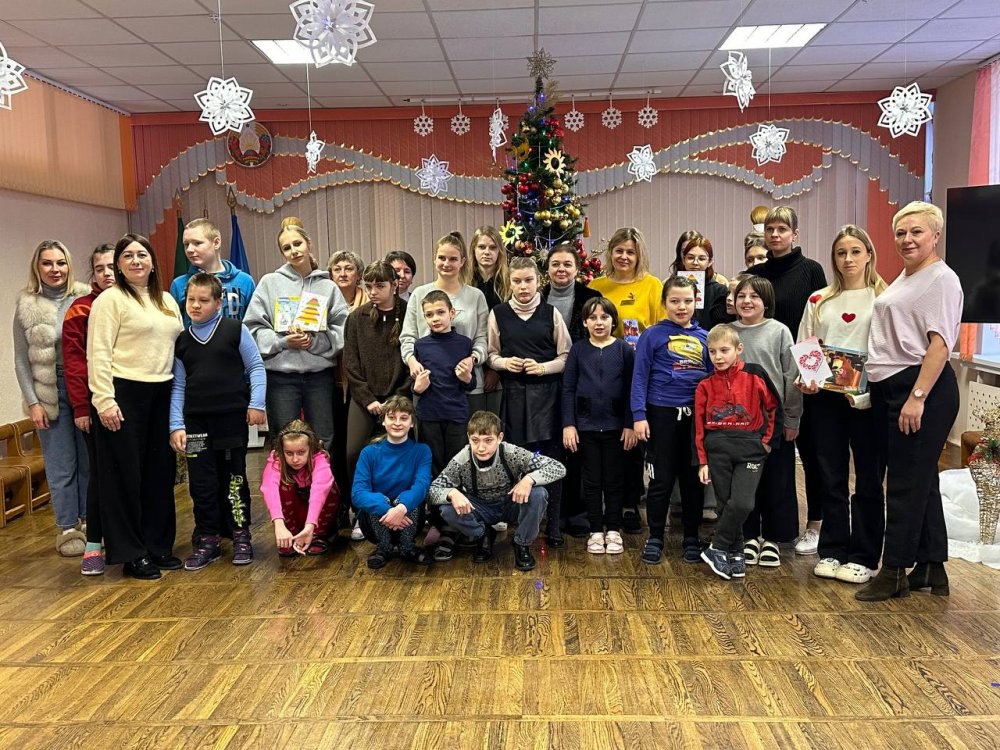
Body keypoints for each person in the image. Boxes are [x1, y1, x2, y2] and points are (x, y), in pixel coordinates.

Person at [856, 201, 963, 602]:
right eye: (901, 232)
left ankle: (895, 571)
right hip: (893, 387)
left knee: (903, 483)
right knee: (921, 479)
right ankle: (932, 566)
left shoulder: (942, 279)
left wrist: (917, 397)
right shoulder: (907, 275)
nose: (907, 239)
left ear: (936, 234)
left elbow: (940, 344)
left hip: (920, 388)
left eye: (916, 231)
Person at [88, 234, 184, 579]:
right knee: (124, 478)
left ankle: (158, 546)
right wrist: (104, 400)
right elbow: (98, 352)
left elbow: (178, 349)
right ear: (118, 265)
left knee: (159, 474)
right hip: (123, 394)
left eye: (142, 254)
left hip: (162, 391)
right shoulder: (110, 300)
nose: (136, 261)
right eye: (127, 256)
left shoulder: (167, 300)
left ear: (153, 262)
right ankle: (133, 553)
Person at [797, 225, 887, 585]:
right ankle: (832, 549)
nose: (848, 259)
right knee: (830, 475)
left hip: (869, 401)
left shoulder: (884, 298)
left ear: (869, 255)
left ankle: (865, 555)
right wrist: (808, 378)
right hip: (827, 401)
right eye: (840, 253)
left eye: (855, 251)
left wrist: (866, 393)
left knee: (868, 477)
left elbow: (889, 351)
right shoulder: (819, 300)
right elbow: (807, 344)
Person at [169, 273, 267, 570]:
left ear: (218, 302)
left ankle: (240, 535)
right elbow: (179, 385)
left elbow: (256, 367)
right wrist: (176, 425)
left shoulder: (235, 331)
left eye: (203, 300)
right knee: (202, 483)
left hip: (231, 420)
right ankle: (208, 538)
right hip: (196, 424)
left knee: (234, 480)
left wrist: (257, 404)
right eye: (191, 300)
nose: (195, 306)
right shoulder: (182, 341)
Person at [751, 206, 827, 555]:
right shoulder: (756, 274)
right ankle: (761, 523)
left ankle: (815, 524)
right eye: (770, 229)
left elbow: (820, 323)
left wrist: (813, 375)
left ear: (795, 233)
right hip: (767, 373)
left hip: (805, 369)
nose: (775, 235)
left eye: (782, 229)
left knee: (812, 452)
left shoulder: (811, 270)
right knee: (768, 454)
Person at [13, 240, 92, 557]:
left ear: (68, 265)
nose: (55, 269)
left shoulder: (85, 297)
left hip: (83, 386)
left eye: (60, 262)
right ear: (37, 267)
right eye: (47, 263)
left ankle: (90, 520)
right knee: (61, 464)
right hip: (49, 390)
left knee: (88, 460)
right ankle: (68, 527)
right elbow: (21, 360)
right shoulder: (27, 305)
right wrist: (33, 402)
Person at [244, 217, 349, 453]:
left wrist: (314, 343)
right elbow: (252, 328)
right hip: (281, 378)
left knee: (323, 438)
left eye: (297, 243)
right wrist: (283, 342)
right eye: (287, 247)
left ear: (308, 243)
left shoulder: (328, 286)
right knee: (284, 439)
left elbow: (343, 329)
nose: (294, 251)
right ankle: (286, 480)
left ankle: (321, 479)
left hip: (319, 377)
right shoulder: (269, 283)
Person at [488, 257, 571, 546]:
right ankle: (523, 526)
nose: (523, 286)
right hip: (513, 397)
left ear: (538, 281)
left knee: (551, 462)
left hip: (547, 398)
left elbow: (566, 356)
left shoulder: (551, 313)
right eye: (517, 281)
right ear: (509, 283)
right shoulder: (498, 313)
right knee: (515, 464)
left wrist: (543, 368)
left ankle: (554, 524)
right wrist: (504, 363)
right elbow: (491, 354)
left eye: (528, 280)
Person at [631, 275, 711, 565]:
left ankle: (691, 536)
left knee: (692, 480)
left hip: (695, 418)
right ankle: (655, 536)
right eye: (675, 301)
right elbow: (639, 377)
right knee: (661, 479)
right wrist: (639, 416)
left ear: (695, 302)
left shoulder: (706, 337)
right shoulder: (652, 335)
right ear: (664, 303)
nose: (681, 307)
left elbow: (713, 379)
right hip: (660, 415)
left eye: (687, 301)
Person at [589, 227, 664, 533]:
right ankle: (603, 504)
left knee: (633, 440)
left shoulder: (652, 285)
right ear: (610, 253)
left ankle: (631, 504)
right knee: (606, 440)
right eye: (618, 250)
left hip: (639, 372)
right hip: (601, 373)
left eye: (630, 252)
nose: (624, 257)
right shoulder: (596, 285)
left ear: (638, 255)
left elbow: (661, 328)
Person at [430, 410, 567, 571]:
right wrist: (452, 493)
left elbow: (558, 467)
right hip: (480, 507)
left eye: (488, 440)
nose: (481, 448)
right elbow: (433, 490)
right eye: (475, 440)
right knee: (447, 508)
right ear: (468, 438)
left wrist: (529, 480)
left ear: (500, 438)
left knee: (538, 493)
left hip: (511, 503)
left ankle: (522, 543)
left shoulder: (512, 453)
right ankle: (483, 534)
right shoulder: (461, 460)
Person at [695, 324, 781, 580]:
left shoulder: (755, 375)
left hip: (751, 450)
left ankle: (717, 547)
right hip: (717, 450)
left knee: (743, 503)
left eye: (724, 350)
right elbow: (698, 427)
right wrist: (702, 461)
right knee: (725, 505)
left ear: (738, 349)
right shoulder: (705, 385)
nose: (718, 357)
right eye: (712, 352)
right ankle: (735, 552)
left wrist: (767, 442)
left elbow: (774, 407)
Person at [731, 276, 801, 568]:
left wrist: (792, 418)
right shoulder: (726, 332)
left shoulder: (779, 331)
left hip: (774, 419)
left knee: (777, 479)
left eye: (755, 296)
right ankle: (748, 535)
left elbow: (791, 377)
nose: (747, 301)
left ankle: (773, 536)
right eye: (741, 295)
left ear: (767, 302)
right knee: (745, 480)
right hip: (738, 421)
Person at [562, 297, 636, 555]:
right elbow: (568, 388)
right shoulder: (578, 350)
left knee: (614, 480)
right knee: (591, 481)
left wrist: (630, 423)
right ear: (585, 322)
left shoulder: (624, 350)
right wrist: (569, 424)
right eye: (592, 318)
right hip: (586, 428)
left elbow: (632, 389)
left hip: (617, 428)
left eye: (604, 317)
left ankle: (613, 529)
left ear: (613, 321)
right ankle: (595, 530)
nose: (599, 322)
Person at [62, 244, 116, 574]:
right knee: (100, 473)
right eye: (99, 268)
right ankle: (94, 541)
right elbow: (74, 362)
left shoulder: (138, 302)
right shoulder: (81, 308)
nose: (107, 273)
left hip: (134, 402)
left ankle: (128, 537)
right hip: (96, 404)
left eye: (112, 266)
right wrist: (82, 406)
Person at [542, 243, 601, 537]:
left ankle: (578, 511)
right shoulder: (537, 297)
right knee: (552, 446)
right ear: (547, 268)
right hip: (545, 382)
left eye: (567, 264)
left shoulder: (591, 298)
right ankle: (553, 510)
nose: (561, 269)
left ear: (577, 269)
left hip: (583, 382)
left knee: (578, 448)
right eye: (555, 264)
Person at [342, 261, 410, 508]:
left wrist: (398, 398)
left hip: (400, 397)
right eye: (368, 286)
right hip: (365, 397)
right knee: (353, 451)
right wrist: (368, 399)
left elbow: (414, 360)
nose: (372, 292)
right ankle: (361, 507)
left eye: (380, 286)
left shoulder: (409, 313)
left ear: (394, 285)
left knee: (403, 452)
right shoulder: (356, 318)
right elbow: (350, 363)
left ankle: (404, 505)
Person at [400, 232, 489, 412]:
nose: (446, 263)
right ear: (434, 260)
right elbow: (408, 337)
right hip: (430, 385)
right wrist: (412, 361)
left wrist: (472, 360)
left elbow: (482, 338)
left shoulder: (476, 296)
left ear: (462, 261)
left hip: (467, 385)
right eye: (442, 258)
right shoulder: (419, 294)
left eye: (453, 259)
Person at [351, 396, 433, 569]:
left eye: (403, 418)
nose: (397, 423)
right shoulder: (369, 452)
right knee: (377, 499)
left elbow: (422, 486)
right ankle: (383, 547)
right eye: (391, 417)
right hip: (376, 521)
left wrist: (401, 508)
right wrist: (388, 510)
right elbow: (358, 493)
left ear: (412, 423)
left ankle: (407, 547)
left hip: (409, 519)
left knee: (409, 497)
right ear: (383, 421)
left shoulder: (422, 451)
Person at [413, 290, 476, 475]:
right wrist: (417, 388)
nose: (435, 318)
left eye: (440, 312)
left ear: (452, 313)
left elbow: (471, 384)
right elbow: (414, 383)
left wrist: (467, 378)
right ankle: (433, 495)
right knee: (431, 464)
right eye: (429, 315)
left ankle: (454, 495)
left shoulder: (465, 343)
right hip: (429, 415)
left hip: (456, 414)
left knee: (457, 465)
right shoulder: (420, 345)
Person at [261, 419, 340, 556]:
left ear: (311, 449)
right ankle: (289, 536)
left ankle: (317, 535)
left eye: (301, 452)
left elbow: (319, 491)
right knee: (283, 486)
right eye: (289, 453)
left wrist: (310, 526)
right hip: (293, 515)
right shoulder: (276, 459)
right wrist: (279, 525)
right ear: (282, 451)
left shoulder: (319, 458)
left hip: (315, 518)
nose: (295, 459)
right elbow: (269, 488)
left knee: (329, 489)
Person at [328, 250, 369, 499]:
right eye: (337, 269)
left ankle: (360, 498)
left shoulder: (370, 301)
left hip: (361, 384)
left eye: (349, 268)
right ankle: (340, 500)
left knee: (357, 445)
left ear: (359, 274)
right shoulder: (322, 301)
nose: (343, 273)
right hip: (330, 379)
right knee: (335, 442)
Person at [169, 217, 256, 324]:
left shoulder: (245, 281)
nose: (189, 250)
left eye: (197, 243)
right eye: (186, 244)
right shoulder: (179, 284)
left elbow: (253, 324)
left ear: (216, 243)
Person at [470, 226, 510, 414]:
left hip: (502, 364)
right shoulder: (464, 282)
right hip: (471, 363)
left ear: (500, 251)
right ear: (473, 250)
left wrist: (495, 369)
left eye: (492, 247)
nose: (487, 252)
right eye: (481, 247)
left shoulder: (509, 284)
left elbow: (512, 331)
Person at [670, 234, 730, 336]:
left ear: (710, 262)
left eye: (701, 259)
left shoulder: (720, 290)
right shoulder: (672, 288)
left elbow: (721, 327)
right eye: (690, 258)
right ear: (683, 260)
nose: (695, 262)